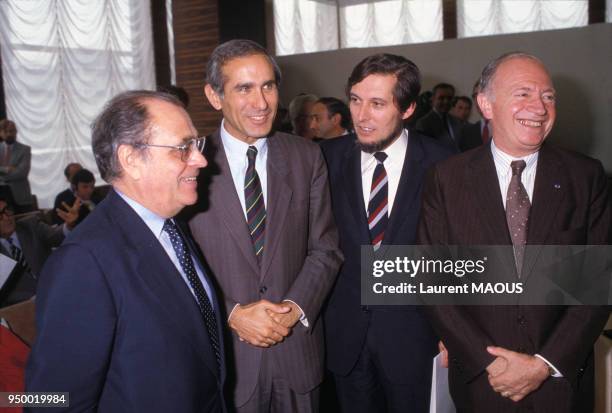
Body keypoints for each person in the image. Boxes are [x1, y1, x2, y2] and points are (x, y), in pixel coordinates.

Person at [417, 52, 611, 413]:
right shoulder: (446, 179)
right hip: (481, 379)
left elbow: (598, 284)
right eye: (523, 93)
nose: (539, 107)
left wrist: (543, 364)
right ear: (486, 104)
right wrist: (489, 362)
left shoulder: (586, 177)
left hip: (561, 382)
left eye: (548, 96)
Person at [26, 91, 226, 412]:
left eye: (196, 144)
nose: (200, 159)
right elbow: (51, 401)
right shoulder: (83, 262)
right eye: (182, 148)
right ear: (131, 159)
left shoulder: (173, 227)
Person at [193, 39, 342, 412]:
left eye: (268, 86)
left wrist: (293, 309)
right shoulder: (190, 164)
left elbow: (325, 249)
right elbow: (178, 263)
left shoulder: (306, 156)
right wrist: (231, 314)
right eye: (244, 88)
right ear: (214, 96)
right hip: (226, 361)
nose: (261, 103)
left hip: (298, 357)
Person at [320, 53, 452, 412]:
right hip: (344, 338)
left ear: (408, 108)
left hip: (415, 339)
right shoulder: (323, 159)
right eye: (356, 100)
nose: (361, 116)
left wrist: (453, 331)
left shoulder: (445, 164)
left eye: (377, 104)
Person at [0, 196, 77, 307]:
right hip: (21, 310)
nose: (7, 217)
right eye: (0, 215)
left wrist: (69, 226)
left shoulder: (30, 225)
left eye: (7, 210)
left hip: (58, 292)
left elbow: (56, 236)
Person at [416, 83, 461, 152]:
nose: (446, 101)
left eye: (449, 98)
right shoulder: (424, 123)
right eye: (441, 98)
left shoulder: (456, 121)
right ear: (433, 99)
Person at [0, 120, 33, 212]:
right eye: (6, 131)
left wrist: (2, 177)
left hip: (20, 197)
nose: (9, 134)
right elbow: (14, 171)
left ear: (16, 132)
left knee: (25, 224)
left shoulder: (25, 149)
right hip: (1, 197)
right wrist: (7, 169)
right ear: (1, 133)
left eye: (12, 131)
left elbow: (22, 173)